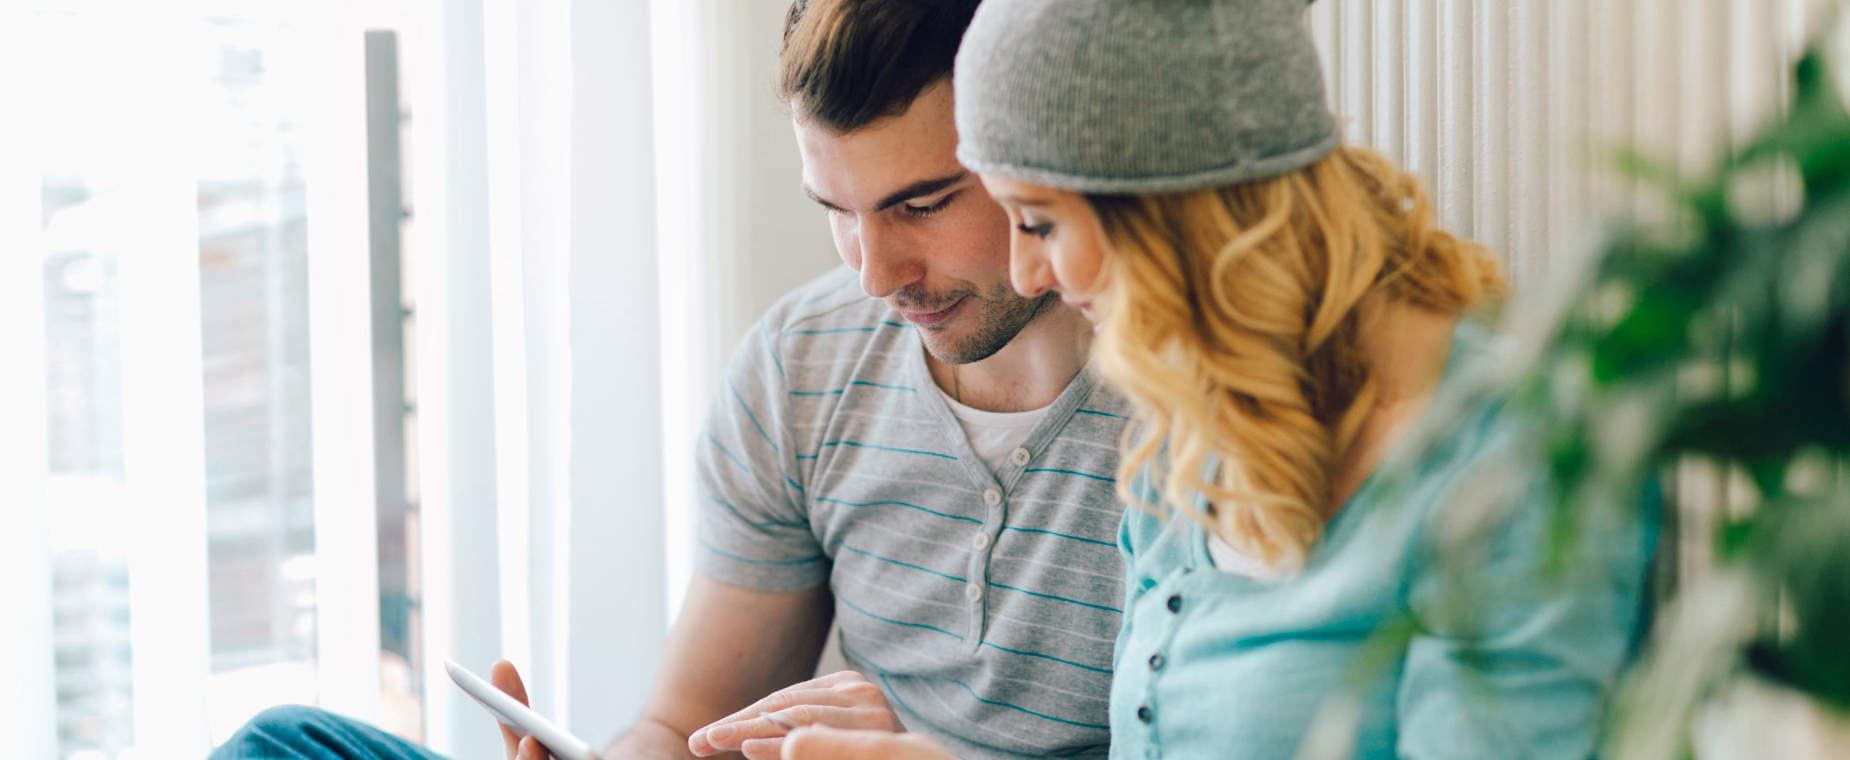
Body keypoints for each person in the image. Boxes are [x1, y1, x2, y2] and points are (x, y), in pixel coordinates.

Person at [204, 2, 1131, 760]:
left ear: (1035, 153)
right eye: (837, 211)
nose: (875, 273)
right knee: (283, 744)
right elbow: (684, 725)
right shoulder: (804, 364)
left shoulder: (1198, 399)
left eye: (921, 205)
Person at [778, 0, 1658, 758]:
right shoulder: (1185, 438)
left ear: (1175, 208)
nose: (1030, 273)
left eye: (1040, 221)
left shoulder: (1520, 455)